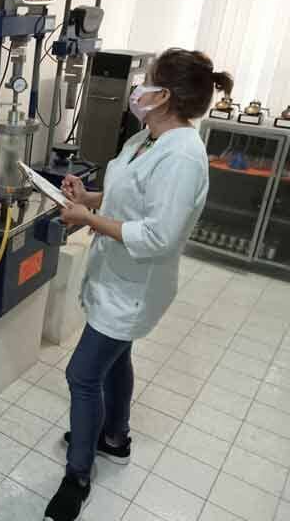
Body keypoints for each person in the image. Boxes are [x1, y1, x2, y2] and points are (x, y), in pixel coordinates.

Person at [43, 49, 233, 521]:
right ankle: (114, 436)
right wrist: (90, 198)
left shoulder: (183, 158)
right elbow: (130, 193)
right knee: (115, 359)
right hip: (116, 276)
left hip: (134, 287)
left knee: (82, 375)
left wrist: (88, 218)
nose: (138, 89)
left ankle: (78, 476)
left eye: (147, 82)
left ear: (164, 96)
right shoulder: (148, 138)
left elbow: (157, 234)